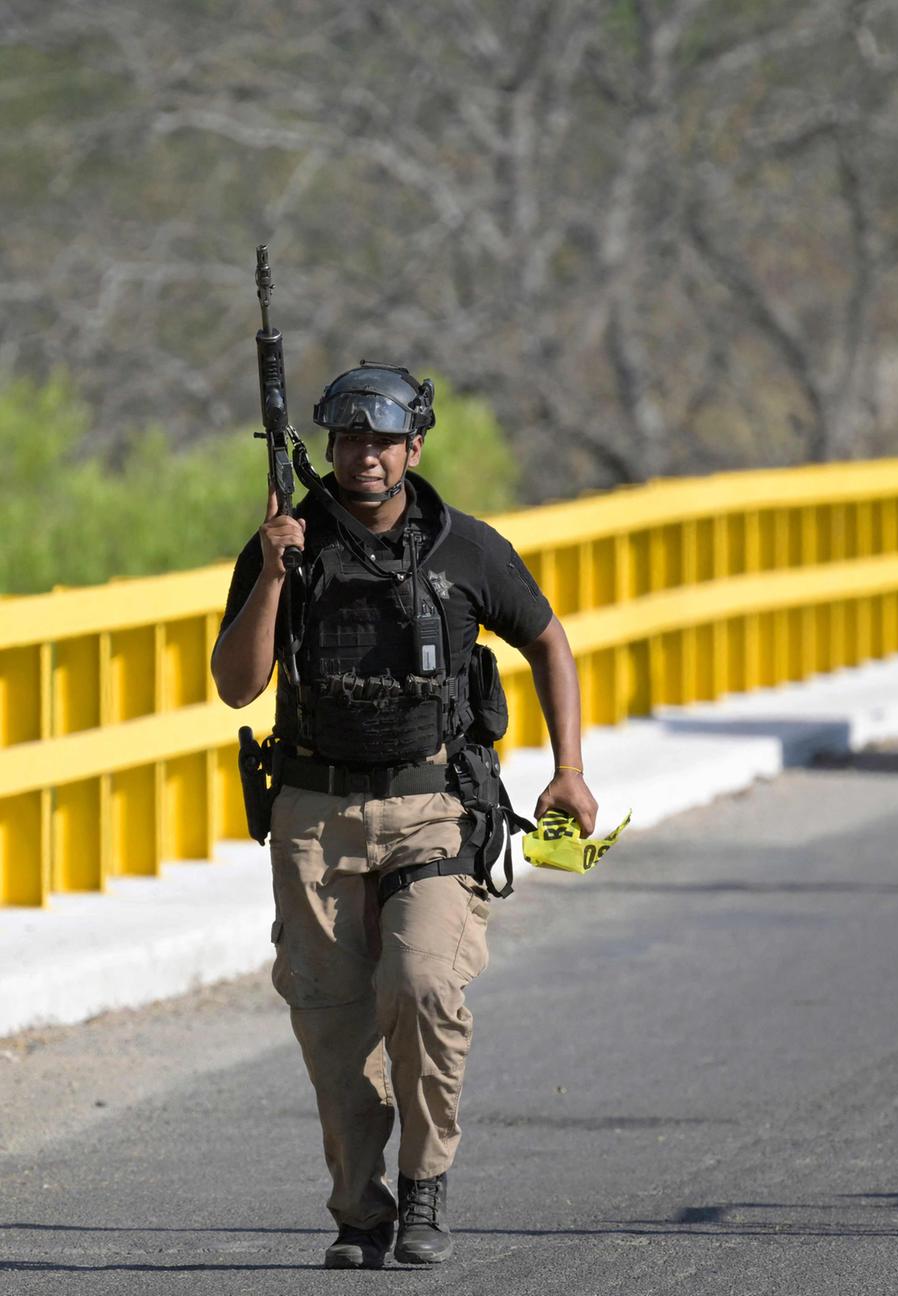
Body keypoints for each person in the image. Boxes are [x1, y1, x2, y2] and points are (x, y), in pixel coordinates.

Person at [212, 362, 598, 1269]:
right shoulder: (284, 543)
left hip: (433, 804)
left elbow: (548, 638)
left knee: (424, 987)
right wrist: (273, 572)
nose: (366, 457)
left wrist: (569, 770)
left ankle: (426, 1190)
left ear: (414, 447)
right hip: (315, 809)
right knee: (332, 1023)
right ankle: (360, 1213)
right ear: (332, 448)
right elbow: (236, 687)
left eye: (384, 441)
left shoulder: (465, 547)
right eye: (350, 440)